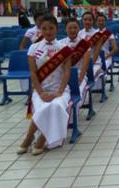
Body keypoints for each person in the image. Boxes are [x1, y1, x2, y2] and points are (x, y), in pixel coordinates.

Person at [18, 15, 72, 155]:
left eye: (51, 28)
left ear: (57, 29)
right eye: (44, 28)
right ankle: (30, 137)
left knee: (56, 105)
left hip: (60, 90)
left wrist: (59, 91)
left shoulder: (64, 48)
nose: (48, 32)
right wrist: (41, 92)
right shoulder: (34, 48)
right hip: (40, 90)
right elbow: (33, 73)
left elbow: (66, 72)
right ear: (40, 29)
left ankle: (39, 138)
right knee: (43, 106)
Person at [59, 18, 90, 103]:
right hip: (63, 76)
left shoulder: (84, 44)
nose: (72, 30)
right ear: (65, 29)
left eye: (75, 28)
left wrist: (80, 79)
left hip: (79, 74)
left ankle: (74, 113)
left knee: (77, 91)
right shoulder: (60, 44)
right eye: (70, 28)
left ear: (79, 29)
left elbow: (86, 63)